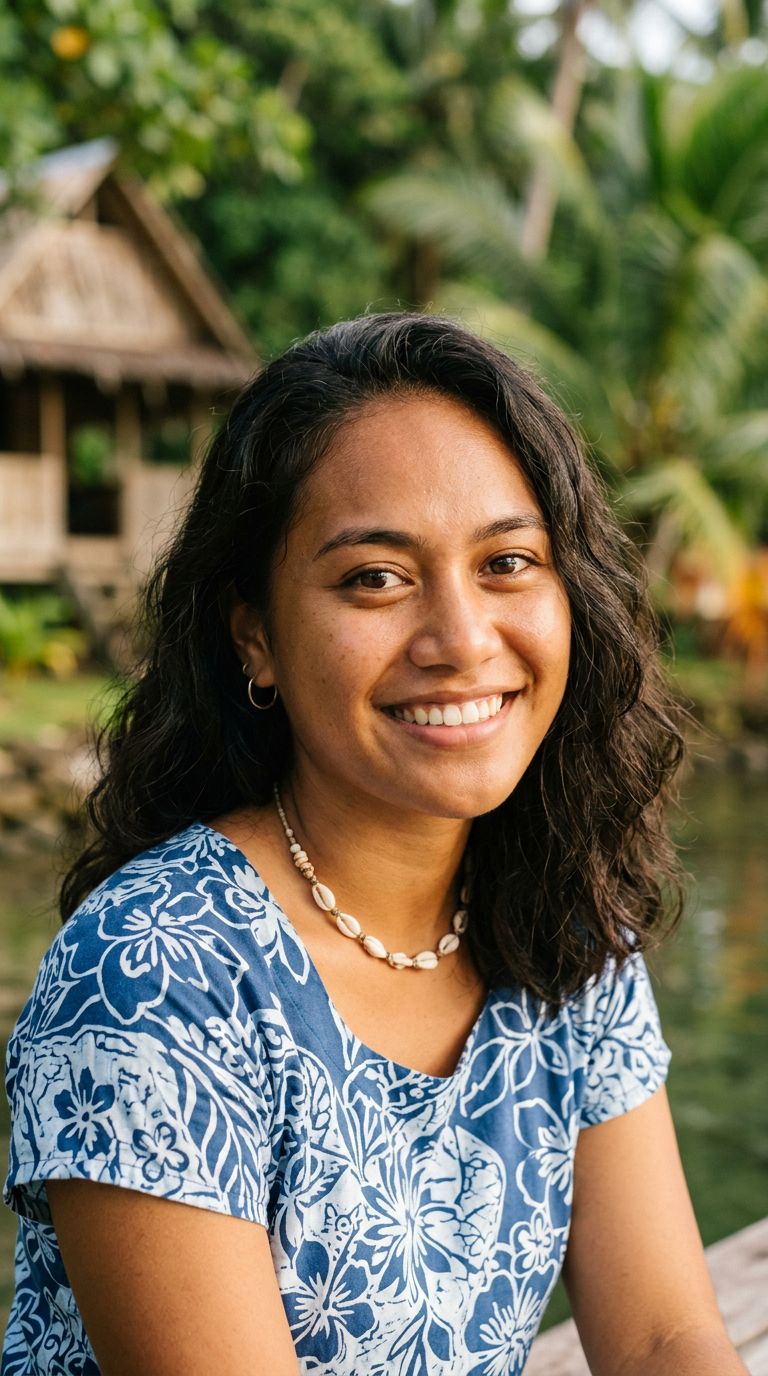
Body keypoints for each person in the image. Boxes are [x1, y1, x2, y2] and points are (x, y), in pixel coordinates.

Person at [2, 313, 746, 1376]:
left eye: (508, 561)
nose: (461, 639)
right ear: (253, 628)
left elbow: (669, 1333)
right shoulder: (156, 973)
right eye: (375, 578)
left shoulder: (566, 921)